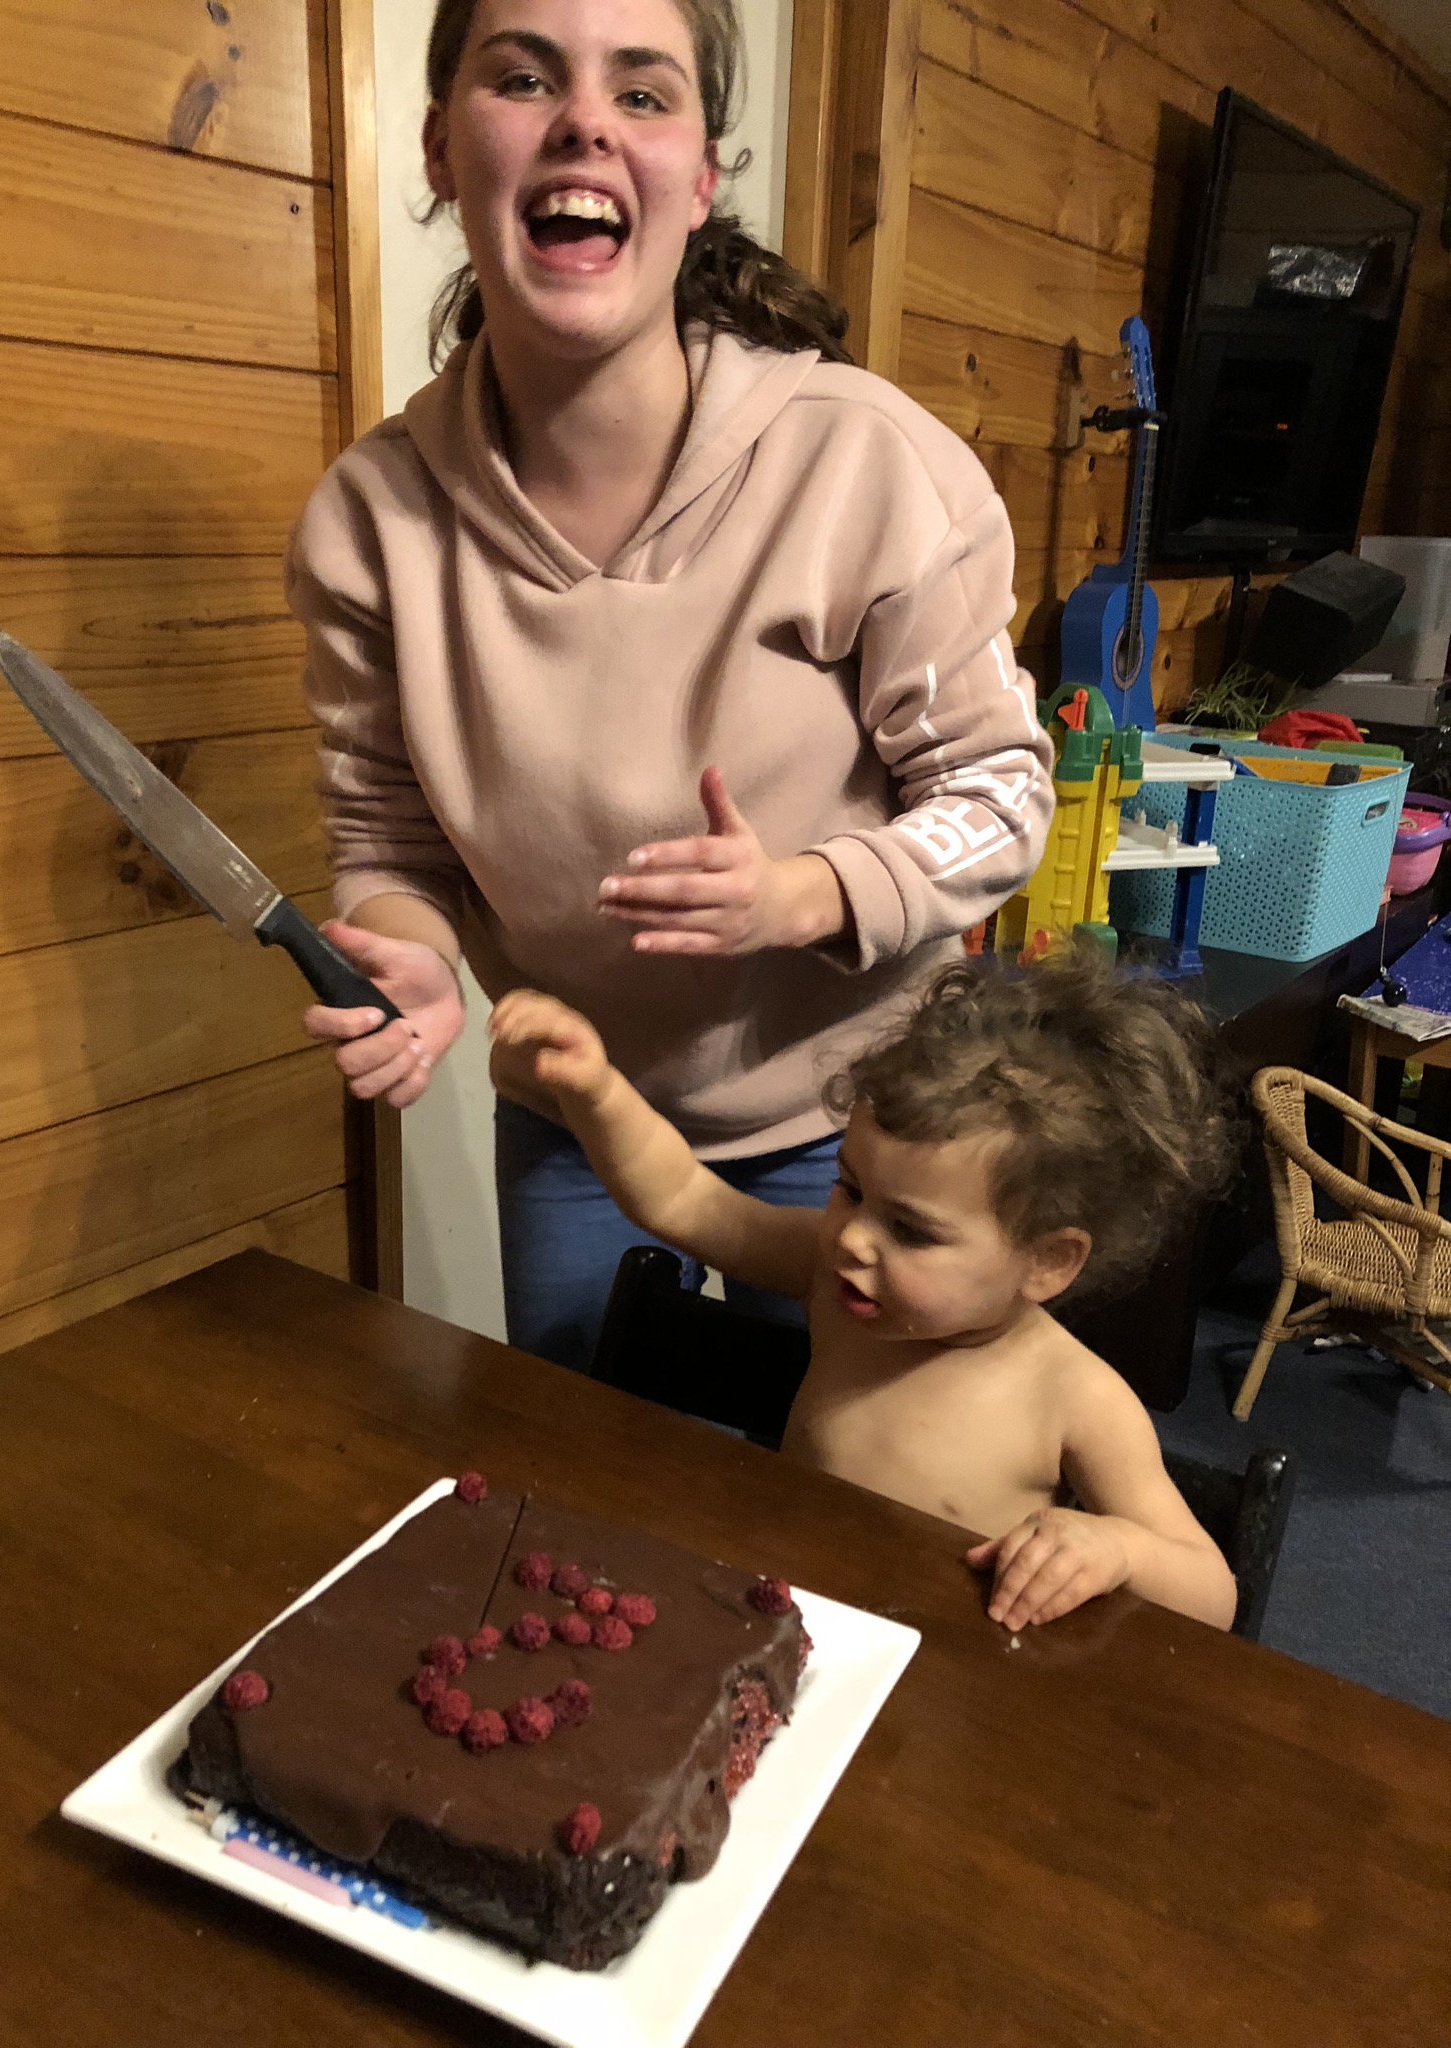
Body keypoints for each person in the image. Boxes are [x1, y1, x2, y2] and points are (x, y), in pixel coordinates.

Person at [290, 0, 1054, 1372]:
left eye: (642, 93)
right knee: (589, 1470)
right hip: (573, 1113)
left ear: (700, 181)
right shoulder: (367, 522)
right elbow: (389, 837)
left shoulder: (870, 464)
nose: (585, 121)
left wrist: (798, 895)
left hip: (864, 1128)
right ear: (441, 149)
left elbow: (1001, 794)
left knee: (829, 1484)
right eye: (524, 78)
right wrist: (411, 954)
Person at [488, 955, 1240, 1631]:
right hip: (781, 1619)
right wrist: (597, 1090)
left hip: (940, 1674)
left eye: (910, 1230)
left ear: (1048, 1262)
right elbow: (683, 1197)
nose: (852, 1238)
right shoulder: (831, 1278)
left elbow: (1212, 1592)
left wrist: (1117, 1549)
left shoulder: (1075, 1396)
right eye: (849, 1188)